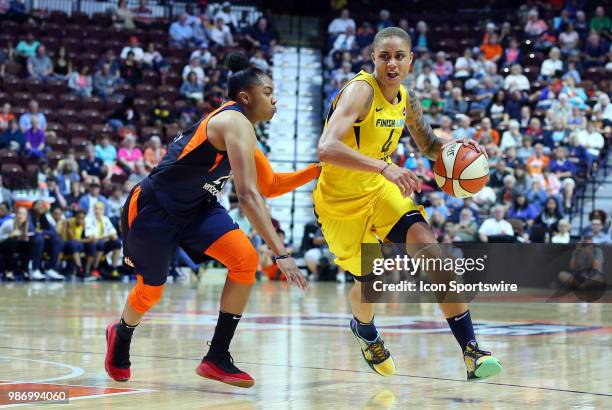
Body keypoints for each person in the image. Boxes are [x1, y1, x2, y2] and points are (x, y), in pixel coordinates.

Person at [104, 52, 320, 388]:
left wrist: (318, 169)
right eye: (268, 91)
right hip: (154, 208)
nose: (275, 98)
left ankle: (217, 356)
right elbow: (248, 196)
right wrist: (282, 254)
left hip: (198, 208)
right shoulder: (234, 122)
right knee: (150, 292)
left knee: (245, 260)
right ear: (246, 97)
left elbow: (271, 186)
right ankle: (121, 333)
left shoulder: (246, 131)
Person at [314, 27, 501, 380]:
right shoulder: (360, 92)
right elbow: (326, 147)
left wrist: (457, 152)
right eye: (384, 56)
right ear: (373, 59)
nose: (392, 63)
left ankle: (472, 352)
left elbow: (429, 145)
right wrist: (386, 166)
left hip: (382, 191)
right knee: (372, 285)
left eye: (399, 56)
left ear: (410, 60)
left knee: (433, 254)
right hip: (339, 201)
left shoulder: (406, 99)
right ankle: (365, 331)